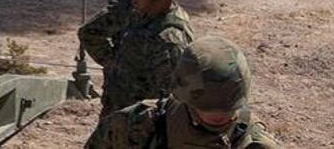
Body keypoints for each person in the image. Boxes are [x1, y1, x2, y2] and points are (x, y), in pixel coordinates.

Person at [85, 36, 279, 148]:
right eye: (209, 105)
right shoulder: (140, 125)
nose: (219, 114)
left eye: (226, 108)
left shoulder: (253, 143)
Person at [79, 0, 194, 118]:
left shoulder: (169, 42)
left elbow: (166, 107)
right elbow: (90, 33)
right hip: (118, 115)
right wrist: (115, 65)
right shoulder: (141, 11)